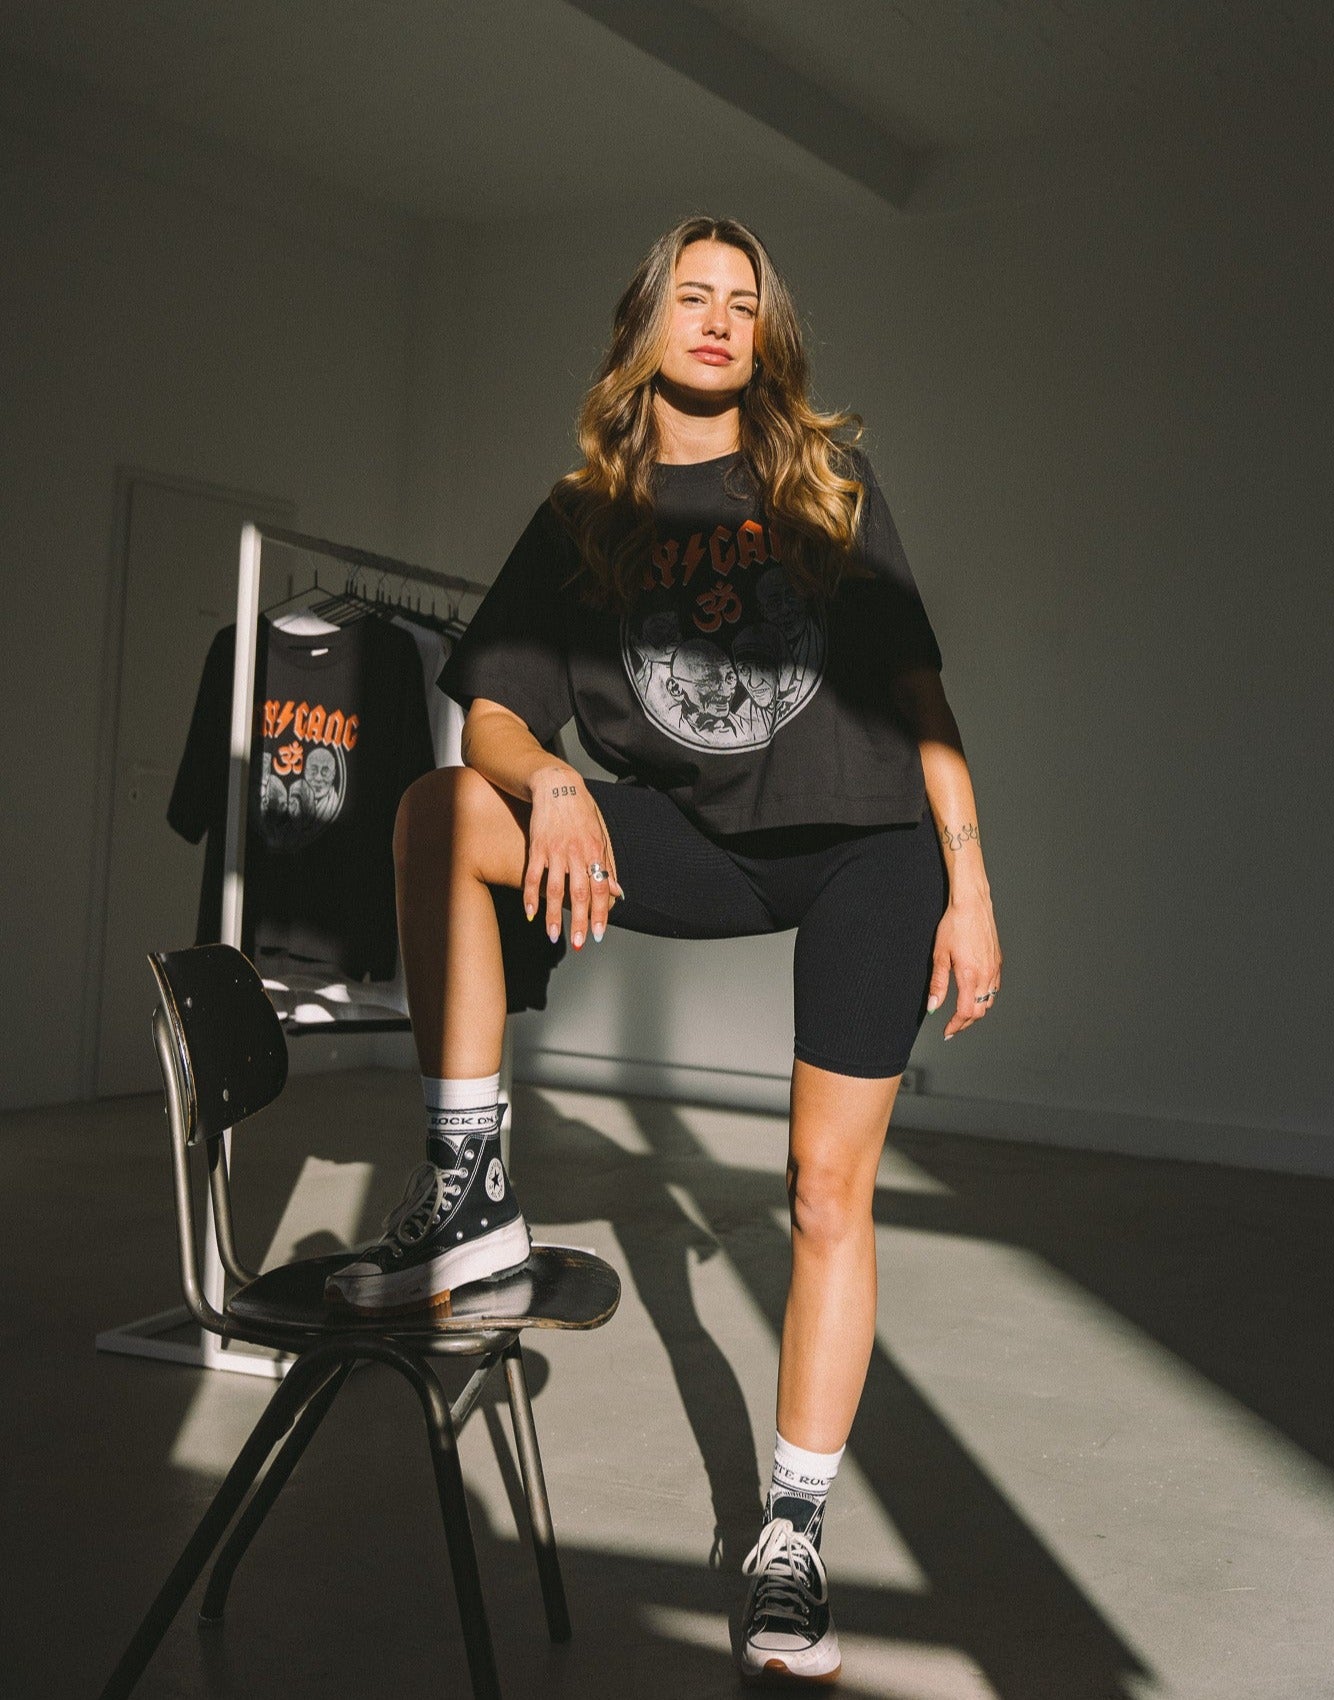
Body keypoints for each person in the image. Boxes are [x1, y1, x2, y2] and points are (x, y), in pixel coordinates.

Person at [324, 215, 1003, 1686]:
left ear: (766, 336)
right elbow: (492, 714)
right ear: (645, 324)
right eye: (692, 297)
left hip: (870, 847)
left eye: (742, 304)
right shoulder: (585, 518)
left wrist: (970, 878)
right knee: (445, 809)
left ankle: (790, 1541)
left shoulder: (826, 483)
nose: (718, 321)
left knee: (824, 1193)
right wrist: (554, 783)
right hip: (695, 839)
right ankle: (470, 1187)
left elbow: (921, 698)